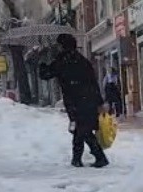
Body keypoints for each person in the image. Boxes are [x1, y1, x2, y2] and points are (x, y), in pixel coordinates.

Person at [39, 33, 109, 168]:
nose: (57, 48)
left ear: (62, 46)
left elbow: (46, 74)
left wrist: (42, 63)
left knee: (81, 130)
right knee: (83, 130)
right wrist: (99, 102)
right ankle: (93, 157)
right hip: (88, 100)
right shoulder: (82, 60)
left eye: (58, 45)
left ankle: (83, 159)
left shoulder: (62, 60)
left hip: (75, 101)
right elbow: (93, 82)